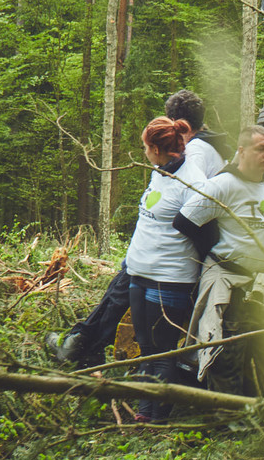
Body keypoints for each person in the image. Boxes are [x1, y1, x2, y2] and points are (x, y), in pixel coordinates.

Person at [47, 90, 210, 368]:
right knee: (118, 298)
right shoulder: (193, 151)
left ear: (173, 123)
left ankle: (83, 347)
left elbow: (197, 218)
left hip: (165, 263)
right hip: (149, 254)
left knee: (123, 306)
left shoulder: (194, 154)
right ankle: (84, 343)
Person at [173, 125, 264, 395]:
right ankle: (226, 420)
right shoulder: (223, 184)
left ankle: (261, 413)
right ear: (242, 151)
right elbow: (184, 221)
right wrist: (217, 247)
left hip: (261, 286)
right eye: (261, 149)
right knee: (227, 355)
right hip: (230, 281)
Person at [123, 116, 200, 423]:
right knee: (145, 347)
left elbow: (202, 233)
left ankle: (158, 418)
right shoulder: (161, 171)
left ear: (157, 149)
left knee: (163, 349)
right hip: (139, 274)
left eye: (146, 147)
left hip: (169, 279)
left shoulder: (193, 183)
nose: (144, 152)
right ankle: (144, 412)